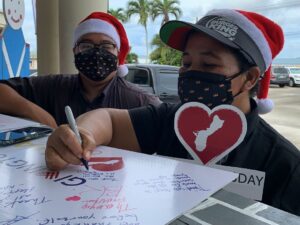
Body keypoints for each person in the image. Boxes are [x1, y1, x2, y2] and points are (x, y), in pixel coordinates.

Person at [45, 9, 300, 215]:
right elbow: (109, 120)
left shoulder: (283, 164)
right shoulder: (171, 120)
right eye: (186, 63)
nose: (190, 73)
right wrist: (82, 135)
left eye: (209, 64)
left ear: (250, 78)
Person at [0, 12, 161, 128]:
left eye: (106, 46)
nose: (97, 52)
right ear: (75, 51)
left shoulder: (141, 102)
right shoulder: (54, 86)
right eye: (86, 45)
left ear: (118, 53)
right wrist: (38, 114)